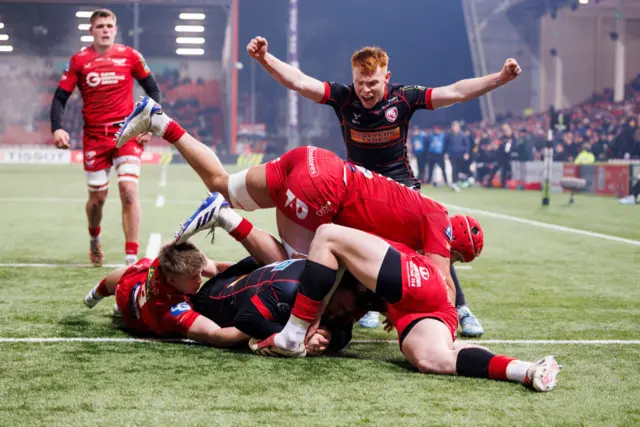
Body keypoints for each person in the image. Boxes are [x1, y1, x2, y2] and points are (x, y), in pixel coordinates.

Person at [246, 39, 522, 336]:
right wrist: (264, 59)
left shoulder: (403, 98)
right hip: (356, 191)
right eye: (360, 83)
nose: (365, 90)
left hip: (400, 188)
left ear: (386, 78)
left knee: (430, 242)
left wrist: (500, 78)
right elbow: (300, 82)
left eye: (373, 83)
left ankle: (460, 308)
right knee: (351, 246)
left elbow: (455, 92)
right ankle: (364, 308)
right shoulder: (343, 98)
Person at [115, 98, 481, 312]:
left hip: (312, 161)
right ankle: (225, 219)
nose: (450, 261)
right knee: (299, 273)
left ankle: (159, 120)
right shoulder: (438, 223)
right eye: (456, 258)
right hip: (323, 188)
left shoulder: (419, 210)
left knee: (221, 184)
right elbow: (442, 288)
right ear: (455, 247)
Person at [249, 223, 561, 393]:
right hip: (421, 305)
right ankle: (529, 369)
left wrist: (309, 320)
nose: (338, 314)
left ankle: (292, 336)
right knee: (432, 359)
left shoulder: (329, 269)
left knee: (326, 234)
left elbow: (328, 245)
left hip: (416, 283)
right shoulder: (363, 288)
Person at [50, 8, 162, 267]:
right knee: (97, 199)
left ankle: (131, 260)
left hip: (126, 133)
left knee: (128, 191)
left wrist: (149, 122)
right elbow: (59, 98)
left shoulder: (130, 56)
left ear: (115, 29)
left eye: (109, 25)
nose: (105, 30)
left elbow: (153, 89)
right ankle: (94, 237)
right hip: (94, 138)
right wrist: (57, 127)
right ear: (91, 31)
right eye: (100, 26)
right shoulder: (79, 61)